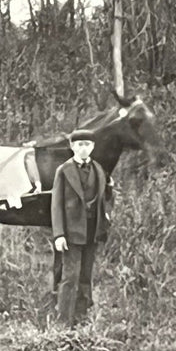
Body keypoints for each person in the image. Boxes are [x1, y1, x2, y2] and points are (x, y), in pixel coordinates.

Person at [50, 128, 112, 327]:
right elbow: (56, 205)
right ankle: (63, 323)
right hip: (71, 233)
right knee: (70, 277)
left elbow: (106, 198)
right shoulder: (64, 170)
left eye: (87, 145)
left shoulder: (98, 170)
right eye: (79, 145)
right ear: (72, 147)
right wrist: (59, 234)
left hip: (92, 231)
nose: (83, 149)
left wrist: (106, 215)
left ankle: (81, 320)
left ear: (92, 147)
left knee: (86, 277)